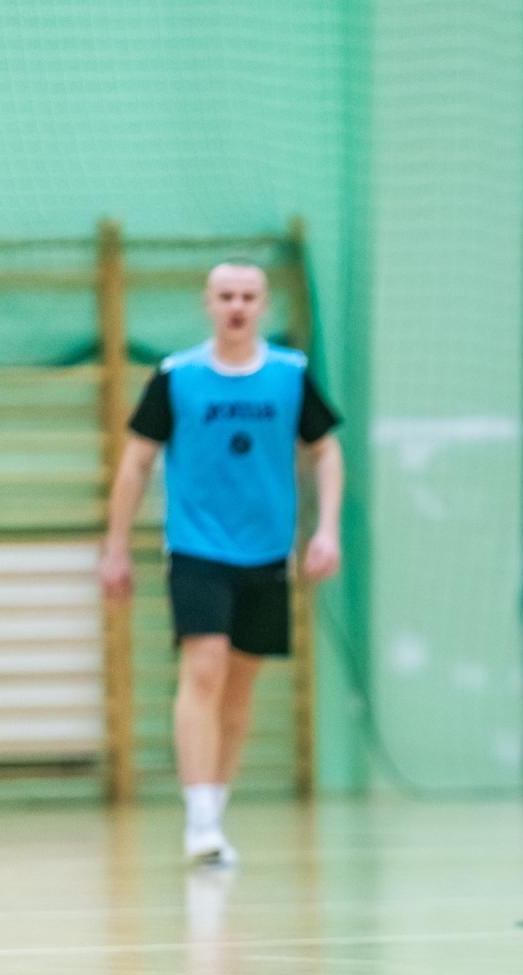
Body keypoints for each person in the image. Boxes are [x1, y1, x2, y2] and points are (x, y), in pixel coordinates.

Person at [99, 262, 343, 865]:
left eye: (249, 296)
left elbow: (325, 450)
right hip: (196, 548)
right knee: (202, 670)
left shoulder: (290, 375)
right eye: (226, 295)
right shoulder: (177, 375)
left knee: (238, 690)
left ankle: (215, 809)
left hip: (266, 553)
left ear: (264, 305)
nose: (237, 305)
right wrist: (115, 546)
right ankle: (199, 819)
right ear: (207, 303)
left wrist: (327, 530)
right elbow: (134, 464)